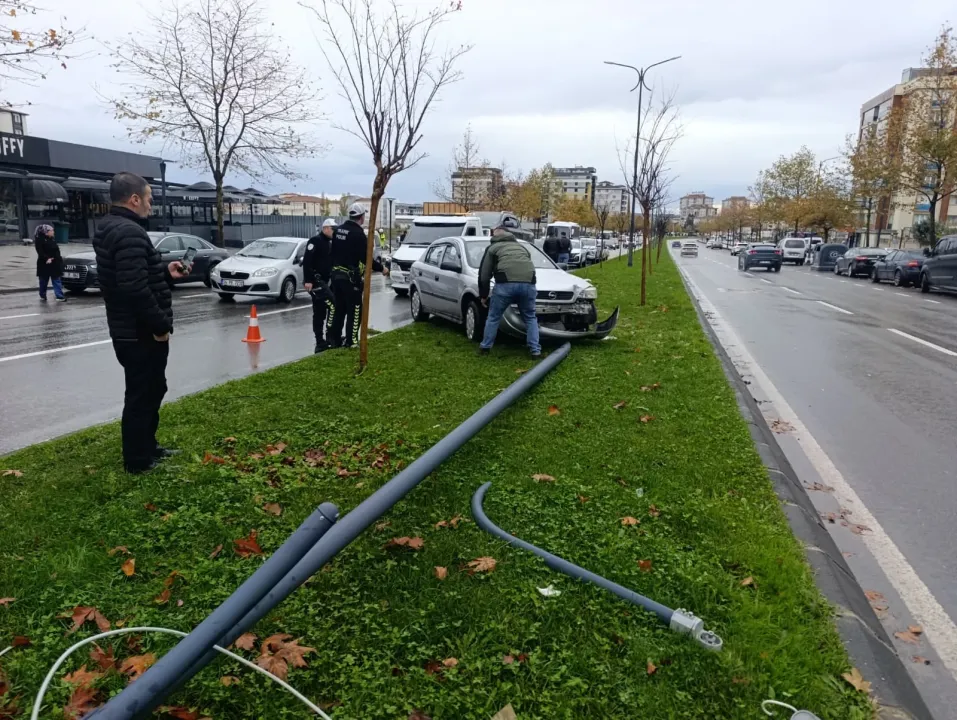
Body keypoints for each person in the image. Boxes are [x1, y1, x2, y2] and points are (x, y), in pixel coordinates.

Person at [93, 172, 186, 474]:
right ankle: (139, 460)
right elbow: (134, 288)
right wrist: (159, 325)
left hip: (127, 330)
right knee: (142, 394)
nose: (150, 204)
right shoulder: (129, 232)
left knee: (151, 389)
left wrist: (163, 270)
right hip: (140, 332)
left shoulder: (111, 228)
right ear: (134, 199)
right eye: (148, 198)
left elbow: (132, 273)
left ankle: (148, 447)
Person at [478, 217, 541, 358]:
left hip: (505, 285)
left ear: (495, 234)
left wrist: (483, 295)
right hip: (529, 285)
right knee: (530, 317)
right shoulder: (522, 247)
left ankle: (485, 347)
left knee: (493, 317)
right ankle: (535, 350)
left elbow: (484, 274)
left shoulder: (492, 248)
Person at [328, 203, 367, 349]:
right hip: (350, 279)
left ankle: (335, 341)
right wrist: (381, 268)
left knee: (340, 309)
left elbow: (332, 253)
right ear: (361, 217)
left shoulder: (338, 231)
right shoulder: (358, 234)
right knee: (355, 309)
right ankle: (351, 341)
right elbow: (365, 258)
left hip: (336, 276)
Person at [303, 218, 336, 353]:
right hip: (316, 282)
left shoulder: (330, 242)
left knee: (322, 311)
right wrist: (308, 280)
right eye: (333, 229)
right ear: (326, 228)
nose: (334, 231)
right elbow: (307, 261)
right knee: (332, 307)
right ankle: (324, 339)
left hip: (326, 281)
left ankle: (325, 340)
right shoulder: (315, 241)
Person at [34, 224, 66, 302]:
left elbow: (56, 251)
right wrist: (47, 258)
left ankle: (59, 296)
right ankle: (42, 294)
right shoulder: (39, 240)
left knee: (56, 280)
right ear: (46, 232)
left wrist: (58, 259)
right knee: (43, 281)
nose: (53, 232)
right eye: (51, 231)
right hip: (44, 264)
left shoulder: (52, 239)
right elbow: (40, 252)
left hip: (54, 263)